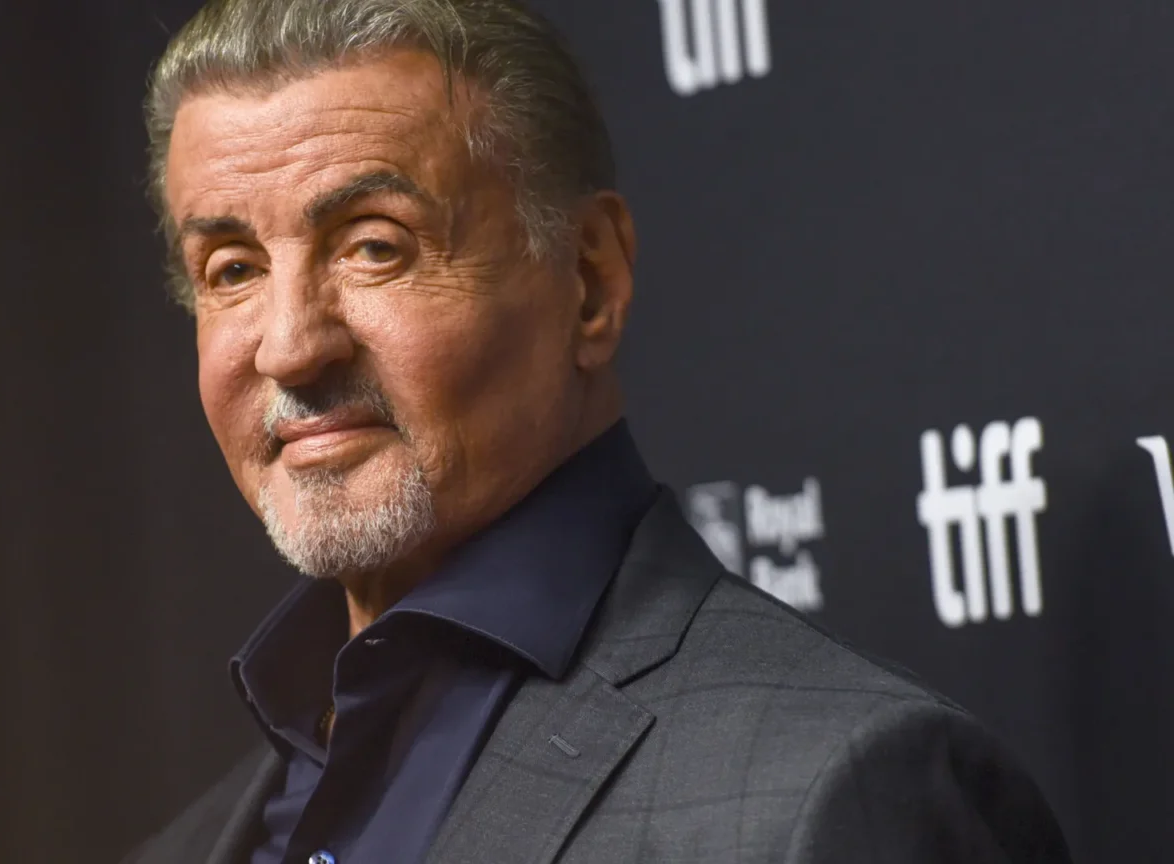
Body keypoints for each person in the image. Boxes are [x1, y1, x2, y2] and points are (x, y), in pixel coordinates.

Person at [125, 0, 1073, 861]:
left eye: (375, 246)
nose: (291, 347)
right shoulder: (184, 849)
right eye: (232, 270)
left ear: (589, 280)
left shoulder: (832, 794)